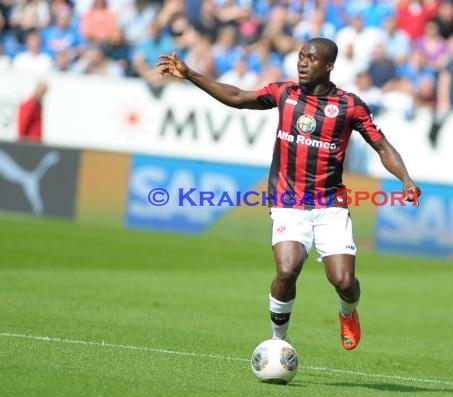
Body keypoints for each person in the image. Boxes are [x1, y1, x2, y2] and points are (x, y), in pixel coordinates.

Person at [156, 38, 420, 351]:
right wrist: (191, 75)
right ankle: (278, 342)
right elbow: (239, 97)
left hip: (330, 205)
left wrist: (405, 178)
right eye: (300, 57)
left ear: (329, 66)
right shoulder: (285, 93)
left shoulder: (350, 106)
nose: (303, 63)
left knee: (344, 282)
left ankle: (348, 312)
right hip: (287, 201)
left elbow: (381, 146)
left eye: (311, 58)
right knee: (286, 269)